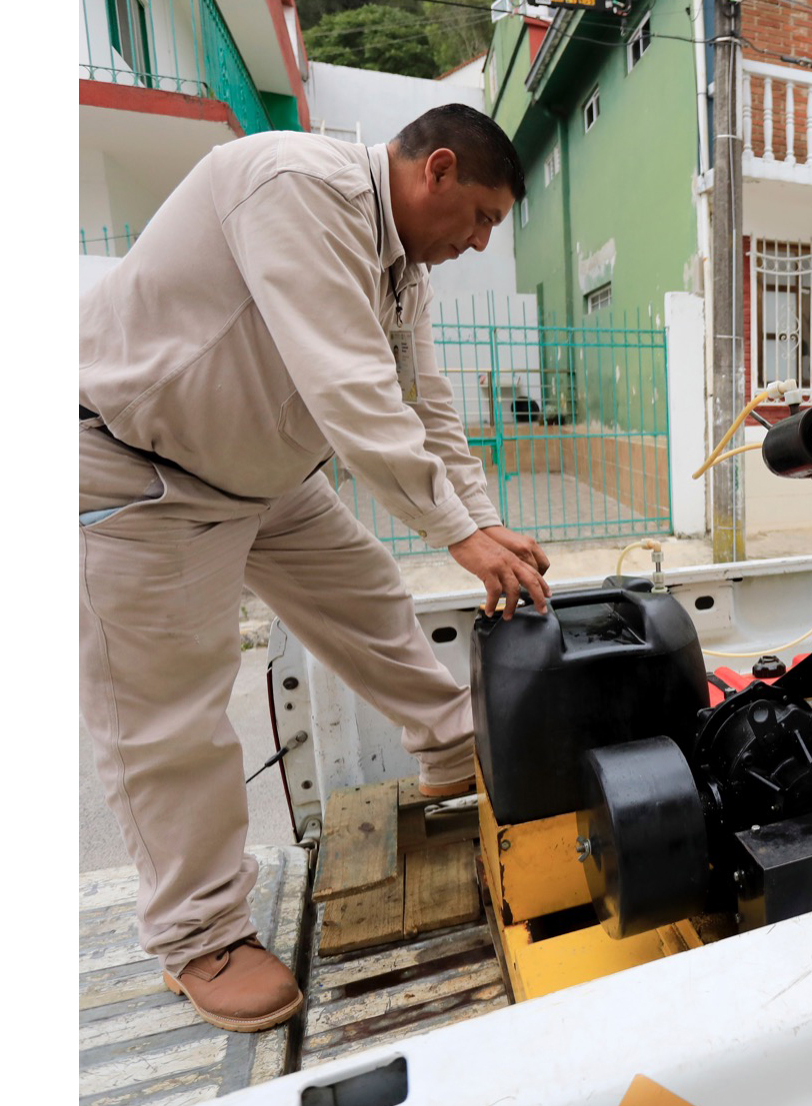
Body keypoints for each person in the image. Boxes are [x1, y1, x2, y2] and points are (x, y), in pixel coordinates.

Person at [78, 104, 551, 1033]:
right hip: (144, 473)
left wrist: (487, 521)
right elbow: (349, 388)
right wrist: (455, 533)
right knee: (167, 714)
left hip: (266, 478)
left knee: (370, 595)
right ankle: (199, 934)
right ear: (437, 171)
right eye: (484, 218)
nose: (481, 241)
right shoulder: (296, 186)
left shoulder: (401, 269)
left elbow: (427, 402)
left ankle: (453, 745)